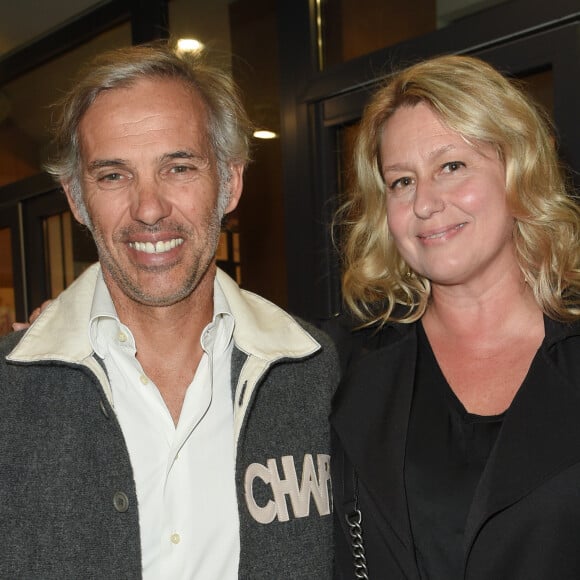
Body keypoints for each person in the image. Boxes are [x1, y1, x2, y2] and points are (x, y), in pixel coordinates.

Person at [0, 43, 338, 579]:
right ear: (76, 199)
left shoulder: (322, 373)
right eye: (113, 175)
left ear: (230, 183)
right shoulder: (11, 391)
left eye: (179, 167)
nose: (149, 208)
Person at [330, 54, 580, 579]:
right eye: (401, 181)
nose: (424, 203)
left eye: (452, 166)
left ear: (519, 170)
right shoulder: (344, 369)